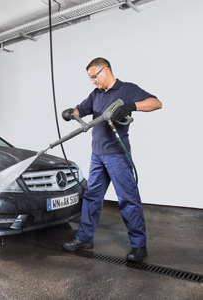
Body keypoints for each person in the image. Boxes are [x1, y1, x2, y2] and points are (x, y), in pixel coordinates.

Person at [62, 57, 162, 263]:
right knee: (91, 197)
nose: (92, 81)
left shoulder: (127, 89)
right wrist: (70, 113)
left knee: (128, 199)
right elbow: (80, 109)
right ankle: (84, 238)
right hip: (97, 156)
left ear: (104, 71)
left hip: (118, 155)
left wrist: (131, 106)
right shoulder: (96, 94)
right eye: (90, 78)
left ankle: (139, 246)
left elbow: (156, 103)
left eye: (93, 77)